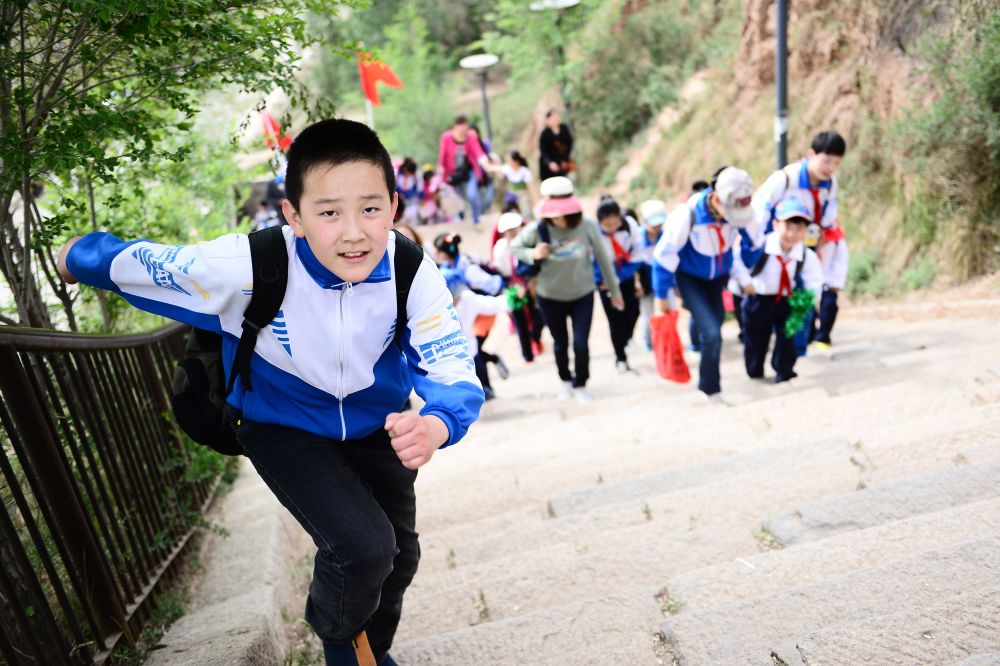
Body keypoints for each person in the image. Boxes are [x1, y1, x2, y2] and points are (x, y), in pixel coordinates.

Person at [56, 118, 485, 666]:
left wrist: (437, 424)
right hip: (282, 426)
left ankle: (371, 651)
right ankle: (340, 648)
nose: (353, 231)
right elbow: (149, 264)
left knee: (398, 559)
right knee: (363, 548)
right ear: (294, 215)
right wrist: (76, 255)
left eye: (370, 209)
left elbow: (451, 360)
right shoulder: (249, 265)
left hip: (380, 425)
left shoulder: (409, 268)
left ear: (395, 207)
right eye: (329, 212)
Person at [652, 166, 763, 403]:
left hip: (717, 279)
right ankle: (711, 391)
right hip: (689, 279)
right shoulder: (688, 215)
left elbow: (753, 246)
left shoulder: (738, 212)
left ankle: (707, 383)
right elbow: (665, 254)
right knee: (711, 334)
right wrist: (661, 295)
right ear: (715, 197)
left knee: (715, 333)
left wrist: (749, 249)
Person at [510, 177, 623, 404]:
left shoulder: (588, 226)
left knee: (581, 342)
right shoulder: (538, 228)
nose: (554, 217)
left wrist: (615, 291)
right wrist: (534, 254)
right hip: (549, 296)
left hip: (582, 294)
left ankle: (582, 383)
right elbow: (515, 247)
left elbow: (604, 260)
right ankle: (566, 381)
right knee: (560, 342)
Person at [752, 130, 849, 348]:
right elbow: (760, 209)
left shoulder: (831, 184)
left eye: (836, 163)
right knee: (777, 294)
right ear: (810, 154)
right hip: (778, 247)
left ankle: (799, 342)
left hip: (809, 245)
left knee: (807, 289)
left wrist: (825, 230)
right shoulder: (785, 179)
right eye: (826, 160)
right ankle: (779, 340)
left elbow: (830, 209)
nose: (830, 168)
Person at [731, 199, 823, 382]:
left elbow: (815, 279)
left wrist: (808, 302)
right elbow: (737, 261)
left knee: (789, 335)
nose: (792, 234)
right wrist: (745, 283)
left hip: (787, 299)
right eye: (787, 227)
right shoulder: (760, 246)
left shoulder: (805, 254)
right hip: (758, 299)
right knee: (756, 340)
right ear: (775, 224)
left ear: (806, 230)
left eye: (799, 229)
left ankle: (784, 370)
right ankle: (755, 371)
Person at [432, 232, 508, 397]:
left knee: (474, 347)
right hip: (467, 308)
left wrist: (508, 298)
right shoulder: (447, 268)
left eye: (437, 251)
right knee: (470, 347)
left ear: (443, 252)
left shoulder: (468, 268)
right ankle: (487, 376)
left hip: (481, 309)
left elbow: (496, 286)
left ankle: (487, 387)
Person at [594, 196, 644, 373]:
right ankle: (620, 358)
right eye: (606, 226)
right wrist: (602, 279)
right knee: (615, 319)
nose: (611, 229)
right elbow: (589, 261)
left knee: (633, 310)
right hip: (604, 281)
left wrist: (623, 275)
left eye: (614, 224)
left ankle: (625, 339)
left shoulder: (629, 225)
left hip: (626, 274)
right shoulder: (593, 232)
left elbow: (638, 252)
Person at [493, 211, 545, 363]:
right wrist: (513, 288)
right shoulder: (501, 248)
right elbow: (501, 270)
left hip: (532, 283)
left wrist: (529, 283)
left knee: (539, 315)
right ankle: (527, 354)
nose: (513, 232)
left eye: (515, 228)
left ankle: (536, 337)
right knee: (519, 321)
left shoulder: (529, 243)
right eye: (509, 230)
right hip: (513, 287)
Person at [437, 115, 490, 225]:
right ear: (455, 127)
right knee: (458, 196)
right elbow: (442, 155)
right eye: (461, 130)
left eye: (465, 129)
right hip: (453, 173)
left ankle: (476, 219)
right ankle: (461, 217)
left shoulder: (471, 136)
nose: (463, 133)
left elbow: (478, 152)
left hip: (469, 171)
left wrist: (485, 162)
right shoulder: (446, 137)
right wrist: (441, 170)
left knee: (472, 194)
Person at [636, 199, 668, 351]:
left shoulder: (667, 235)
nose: (657, 228)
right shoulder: (637, 238)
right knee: (649, 315)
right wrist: (638, 284)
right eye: (653, 225)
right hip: (646, 283)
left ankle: (665, 341)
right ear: (644, 221)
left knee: (667, 311)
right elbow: (634, 265)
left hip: (663, 282)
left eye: (659, 225)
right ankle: (650, 342)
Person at [538, 109, 574, 181]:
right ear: (548, 120)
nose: (556, 119)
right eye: (553, 117)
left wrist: (565, 159)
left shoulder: (564, 128)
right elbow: (543, 150)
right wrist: (550, 163)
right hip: (548, 165)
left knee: (563, 182)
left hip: (561, 162)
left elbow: (569, 143)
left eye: (557, 116)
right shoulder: (544, 134)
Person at [395, 158, 421, 225]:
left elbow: (417, 190)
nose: (408, 175)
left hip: (410, 200)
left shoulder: (415, 177)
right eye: (407, 173)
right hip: (399, 199)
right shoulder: (397, 172)